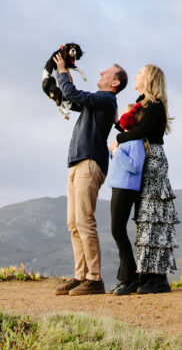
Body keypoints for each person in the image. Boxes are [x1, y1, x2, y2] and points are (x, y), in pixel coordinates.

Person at [53, 53, 128, 296]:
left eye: (106, 72)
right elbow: (72, 97)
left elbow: (75, 95)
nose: (100, 74)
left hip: (89, 163)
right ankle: (81, 275)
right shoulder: (99, 100)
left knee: (84, 221)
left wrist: (63, 72)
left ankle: (94, 278)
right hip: (77, 162)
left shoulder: (107, 99)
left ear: (114, 83)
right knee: (73, 224)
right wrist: (66, 79)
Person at [111, 63, 178, 294]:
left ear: (148, 78)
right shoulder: (144, 104)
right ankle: (148, 274)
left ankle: (156, 278)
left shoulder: (155, 105)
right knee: (145, 217)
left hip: (153, 161)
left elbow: (142, 131)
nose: (136, 76)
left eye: (139, 73)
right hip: (146, 160)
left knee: (152, 216)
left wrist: (120, 138)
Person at [107, 104, 146, 295]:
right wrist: (113, 151)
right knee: (117, 231)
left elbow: (134, 166)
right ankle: (126, 277)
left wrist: (117, 152)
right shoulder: (126, 141)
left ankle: (128, 277)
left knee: (118, 230)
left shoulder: (136, 142)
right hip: (118, 186)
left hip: (126, 188)